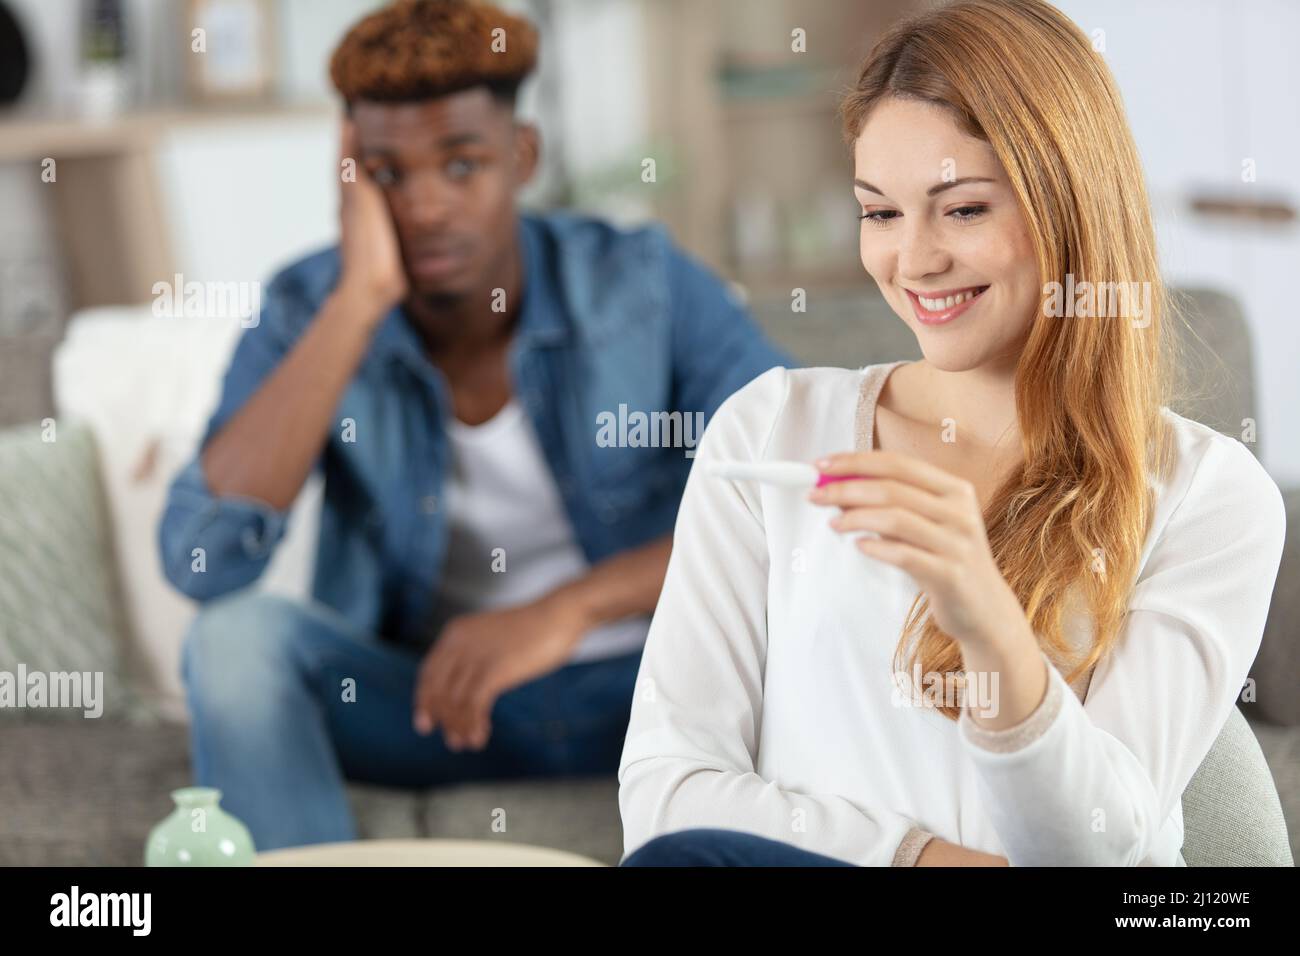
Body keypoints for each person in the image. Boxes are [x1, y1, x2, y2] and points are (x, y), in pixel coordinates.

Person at [618, 0, 1285, 867]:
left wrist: (987, 621)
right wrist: (922, 860)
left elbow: (1100, 850)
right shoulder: (773, 429)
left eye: (963, 209)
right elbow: (667, 796)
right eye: (881, 213)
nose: (915, 259)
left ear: (1069, 202)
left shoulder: (1208, 494)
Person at [158, 0, 789, 851]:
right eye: (387, 172)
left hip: (658, 690)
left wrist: (565, 610)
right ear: (350, 175)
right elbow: (200, 559)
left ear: (521, 155)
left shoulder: (643, 281)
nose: (423, 206)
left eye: (460, 164)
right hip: (437, 706)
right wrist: (358, 303)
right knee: (234, 643)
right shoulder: (308, 306)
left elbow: (795, 494)